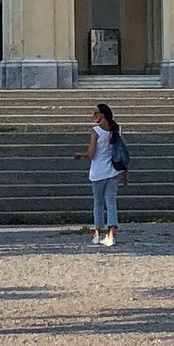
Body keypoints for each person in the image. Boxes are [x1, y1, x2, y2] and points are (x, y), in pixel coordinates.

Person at [72, 102, 125, 246]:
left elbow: (91, 153)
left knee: (98, 203)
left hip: (98, 171)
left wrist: (79, 155)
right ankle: (112, 234)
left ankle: (97, 232)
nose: (93, 116)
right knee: (111, 202)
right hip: (114, 171)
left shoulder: (95, 131)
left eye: (96, 113)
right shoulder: (117, 129)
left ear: (102, 115)